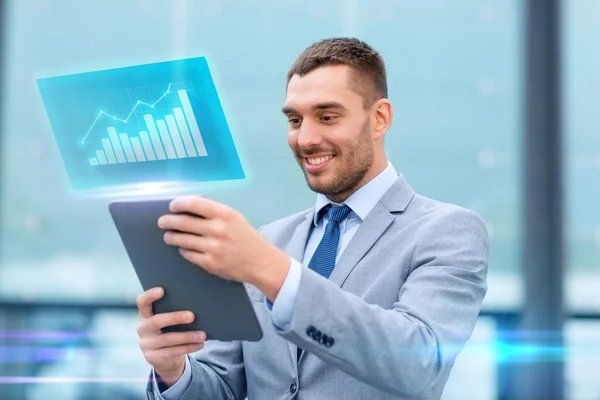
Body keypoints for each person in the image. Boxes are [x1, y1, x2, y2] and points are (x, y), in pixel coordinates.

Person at [136, 37, 489, 400]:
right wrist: (172, 371)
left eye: (327, 117)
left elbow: (419, 365)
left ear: (379, 118)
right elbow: (222, 387)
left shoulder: (447, 231)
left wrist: (273, 273)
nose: (305, 139)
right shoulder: (269, 239)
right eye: (294, 120)